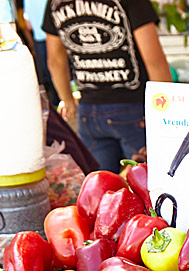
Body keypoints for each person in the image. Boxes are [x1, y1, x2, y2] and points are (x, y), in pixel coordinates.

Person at [43, 0, 174, 171]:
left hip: (88, 110)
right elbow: (155, 61)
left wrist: (67, 99)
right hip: (133, 108)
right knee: (148, 185)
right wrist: (166, 117)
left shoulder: (56, 3)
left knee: (99, 190)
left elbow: (55, 61)